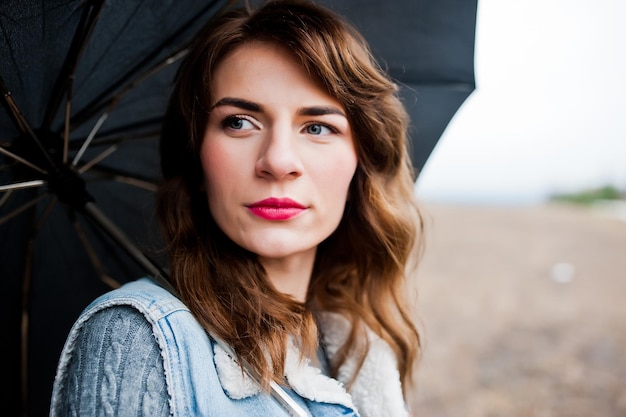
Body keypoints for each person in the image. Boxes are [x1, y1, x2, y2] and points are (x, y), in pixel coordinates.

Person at [50, 0, 423, 415]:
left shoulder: (356, 352)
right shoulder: (136, 339)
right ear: (196, 159)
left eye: (317, 127)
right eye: (240, 122)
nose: (278, 161)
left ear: (361, 163)